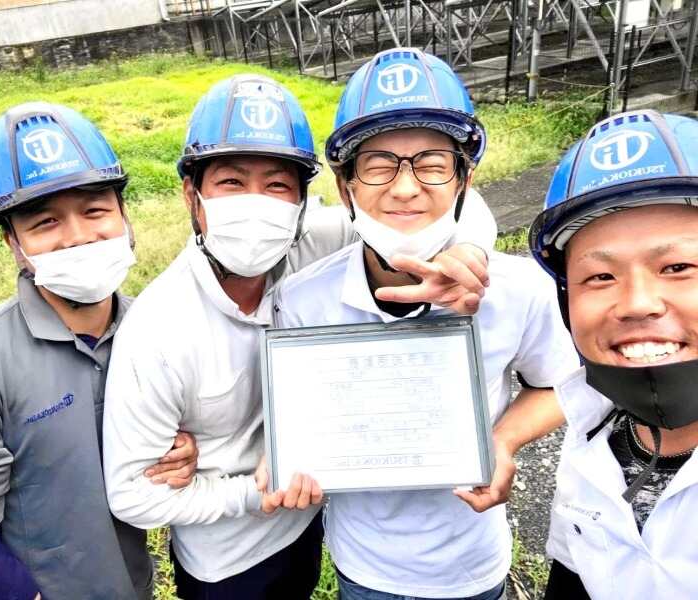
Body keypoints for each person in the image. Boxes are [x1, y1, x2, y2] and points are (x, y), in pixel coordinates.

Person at [102, 73, 498, 600]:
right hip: (229, 561)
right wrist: (256, 493)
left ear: (302, 202)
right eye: (231, 183)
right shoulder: (159, 329)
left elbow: (431, 204)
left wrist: (471, 249)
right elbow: (132, 497)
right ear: (192, 195)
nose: (256, 205)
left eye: (277, 186)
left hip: (310, 528)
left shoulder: (314, 243)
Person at [273, 48, 580, 600]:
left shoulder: (518, 290)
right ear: (345, 187)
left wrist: (502, 441)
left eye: (433, 164)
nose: (405, 187)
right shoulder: (302, 300)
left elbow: (557, 384)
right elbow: (299, 413)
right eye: (378, 164)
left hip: (473, 562)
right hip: (363, 564)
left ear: (464, 180)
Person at [0, 102, 197, 600]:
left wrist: (185, 451)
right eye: (45, 222)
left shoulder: (153, 328)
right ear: (13, 243)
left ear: (124, 216)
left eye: (95, 211)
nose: (78, 237)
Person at [531, 109, 698, 599]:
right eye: (600, 276)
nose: (638, 303)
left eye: (678, 267)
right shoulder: (592, 426)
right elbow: (573, 575)